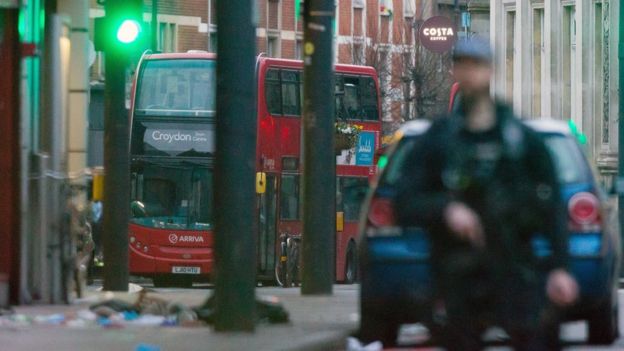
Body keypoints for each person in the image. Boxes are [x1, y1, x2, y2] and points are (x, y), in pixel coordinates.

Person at [394, 37, 578, 351]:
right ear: (454, 70)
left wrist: (561, 267)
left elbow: (552, 207)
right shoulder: (439, 141)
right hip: (458, 278)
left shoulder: (520, 140)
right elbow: (404, 201)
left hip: (515, 271)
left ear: (490, 71)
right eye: (462, 64)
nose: (469, 73)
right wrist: (445, 209)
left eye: (477, 65)